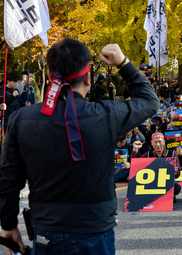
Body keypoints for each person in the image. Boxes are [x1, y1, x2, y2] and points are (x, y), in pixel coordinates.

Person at [0, 39, 159, 255]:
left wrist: (8, 225)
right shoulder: (105, 115)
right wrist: (123, 64)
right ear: (87, 78)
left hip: (46, 230)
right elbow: (149, 101)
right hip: (94, 229)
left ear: (50, 76)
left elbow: (8, 179)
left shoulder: (21, 120)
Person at [131, 133, 181, 201]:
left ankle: (168, 194)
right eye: (155, 142)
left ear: (164, 142)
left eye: (160, 141)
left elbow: (178, 174)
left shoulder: (172, 154)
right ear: (151, 143)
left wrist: (175, 172)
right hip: (150, 183)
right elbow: (135, 165)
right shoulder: (148, 154)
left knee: (177, 188)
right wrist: (135, 150)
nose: (157, 144)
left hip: (166, 183)